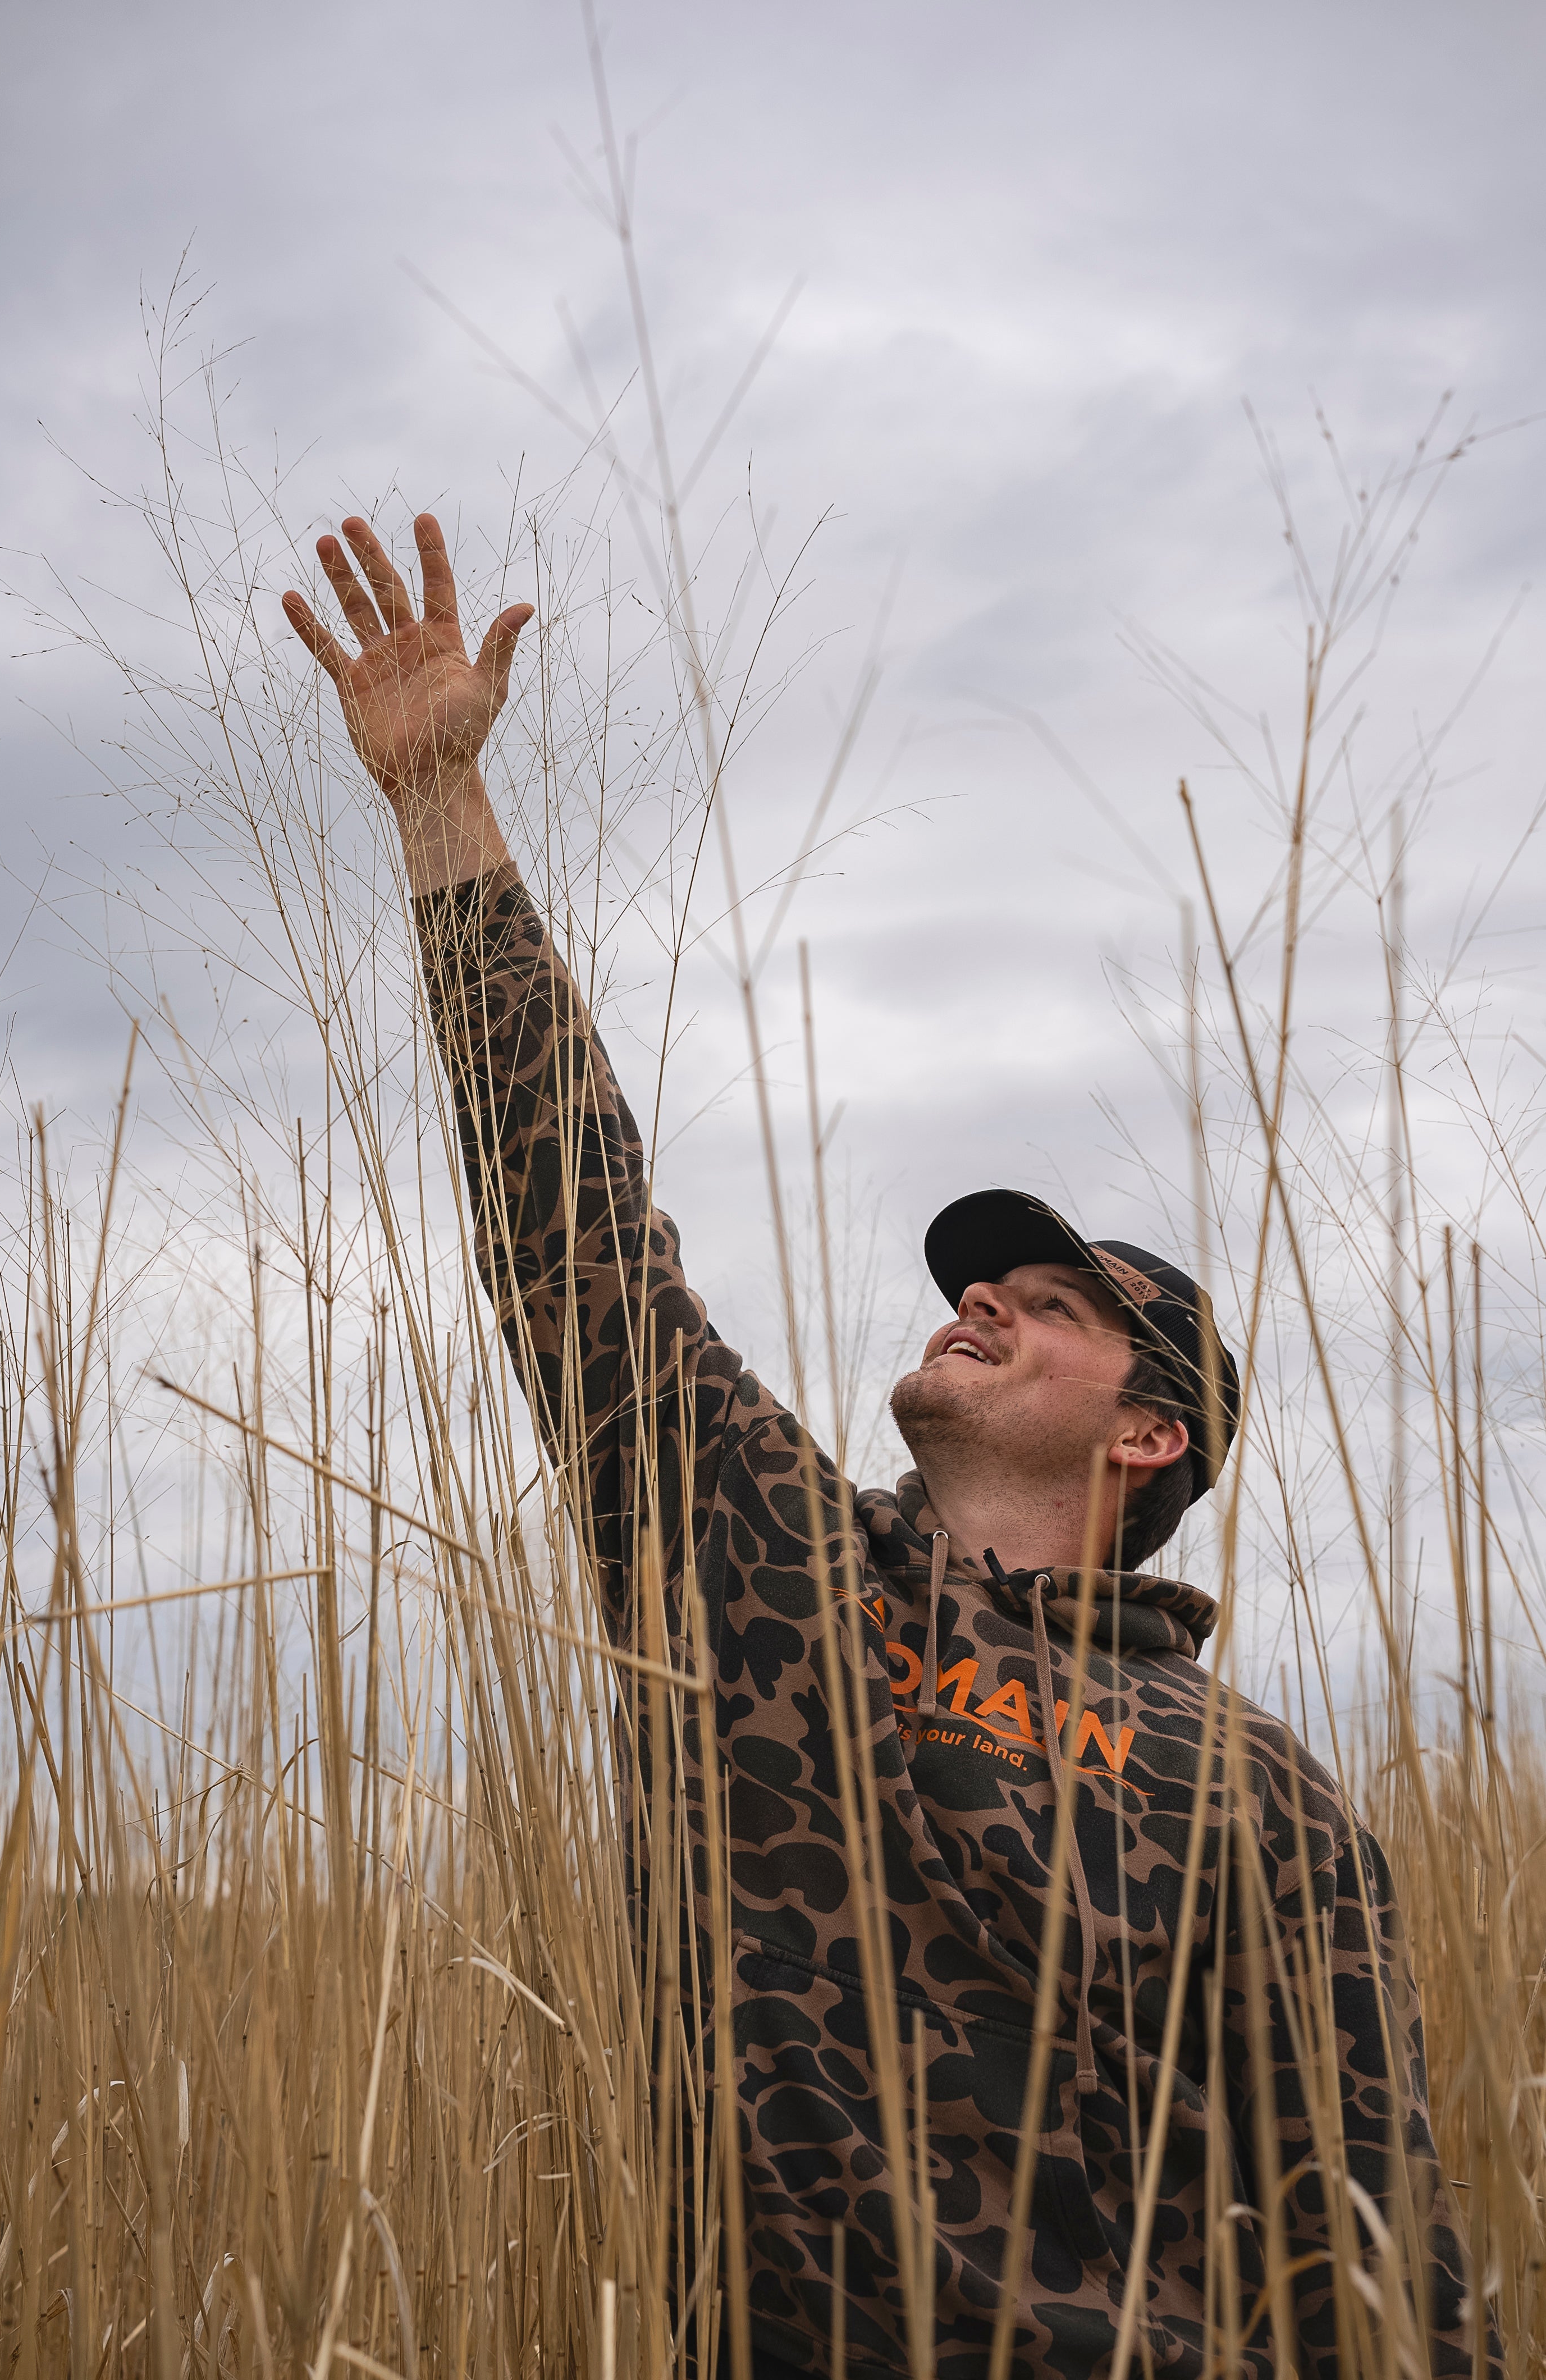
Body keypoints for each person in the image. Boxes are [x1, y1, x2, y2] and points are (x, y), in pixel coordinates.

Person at [283, 513, 1486, 2380]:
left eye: (1055, 1303)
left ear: (1151, 1431)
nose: (982, 1298)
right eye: (982, 1282)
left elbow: (1371, 2228)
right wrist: (443, 804)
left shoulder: (1257, 1786)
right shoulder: (775, 1567)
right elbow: (580, 1245)